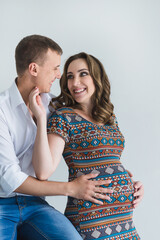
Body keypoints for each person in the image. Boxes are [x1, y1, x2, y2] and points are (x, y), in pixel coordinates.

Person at [0, 36, 120, 240]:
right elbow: (11, 178)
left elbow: (91, 146)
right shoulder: (2, 110)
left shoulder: (54, 107)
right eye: (55, 68)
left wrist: (124, 178)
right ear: (34, 69)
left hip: (35, 205)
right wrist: (70, 189)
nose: (59, 75)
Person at [29, 52, 143, 239]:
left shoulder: (108, 117)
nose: (75, 83)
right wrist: (42, 120)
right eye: (70, 76)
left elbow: (111, 161)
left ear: (97, 77)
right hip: (91, 217)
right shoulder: (64, 117)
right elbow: (43, 172)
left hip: (124, 219)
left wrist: (132, 186)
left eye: (83, 74)